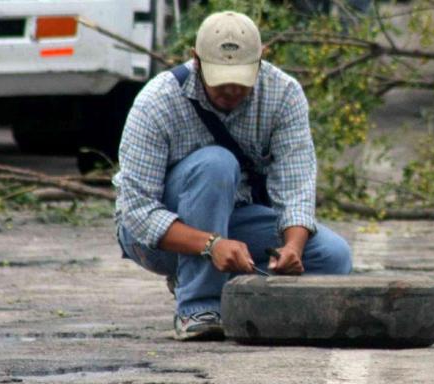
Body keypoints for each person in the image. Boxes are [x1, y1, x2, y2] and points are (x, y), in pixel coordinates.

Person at [113, 11, 353, 341]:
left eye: (240, 78)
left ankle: (237, 295)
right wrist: (211, 245)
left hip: (234, 221)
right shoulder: (156, 101)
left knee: (332, 258)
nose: (230, 89)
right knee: (216, 163)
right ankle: (198, 307)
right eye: (220, 78)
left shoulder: (284, 94)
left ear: (261, 58)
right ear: (196, 60)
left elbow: (296, 186)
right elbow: (137, 213)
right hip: (154, 238)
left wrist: (292, 248)